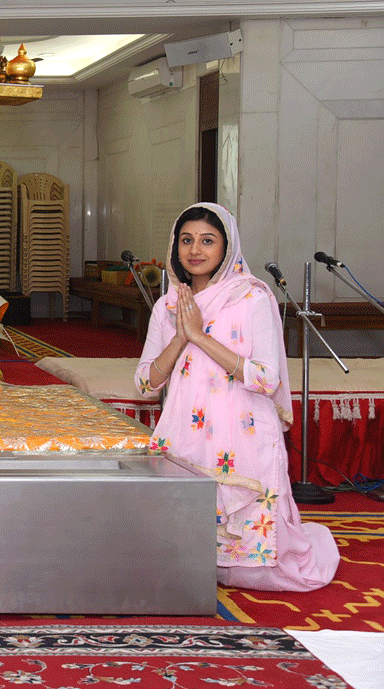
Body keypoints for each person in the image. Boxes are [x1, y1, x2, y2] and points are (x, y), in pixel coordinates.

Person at [135, 203, 339, 592]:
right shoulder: (167, 307)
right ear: (175, 248)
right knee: (184, 556)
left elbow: (265, 378)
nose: (195, 250)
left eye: (208, 241)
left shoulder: (252, 300)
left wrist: (200, 337)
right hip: (186, 433)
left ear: (227, 248)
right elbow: (146, 385)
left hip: (242, 431)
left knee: (251, 566)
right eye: (187, 240)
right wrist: (181, 335)